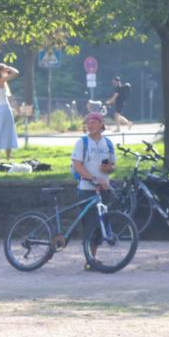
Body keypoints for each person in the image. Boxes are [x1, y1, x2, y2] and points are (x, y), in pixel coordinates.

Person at [71, 112, 117, 268]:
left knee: (99, 225)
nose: (89, 125)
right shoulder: (82, 142)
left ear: (101, 124)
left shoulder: (108, 143)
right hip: (87, 189)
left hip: (103, 188)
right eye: (88, 122)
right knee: (89, 225)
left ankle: (92, 258)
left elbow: (112, 166)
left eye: (93, 122)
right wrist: (94, 179)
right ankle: (89, 260)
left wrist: (108, 168)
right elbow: (77, 165)